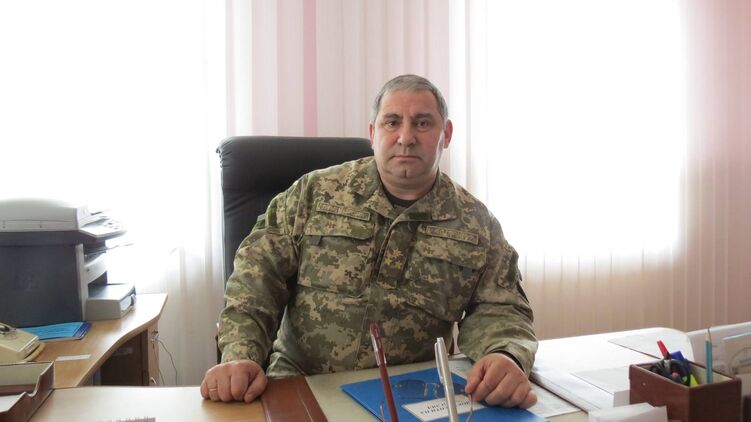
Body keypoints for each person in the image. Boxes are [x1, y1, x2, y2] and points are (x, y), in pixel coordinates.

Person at [200, 74, 538, 409]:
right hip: (301, 384)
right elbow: (256, 277)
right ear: (373, 133)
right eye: (392, 122)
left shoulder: (475, 223)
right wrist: (241, 355)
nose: (406, 137)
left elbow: (501, 307)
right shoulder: (314, 194)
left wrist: (504, 355)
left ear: (445, 134)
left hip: (412, 395)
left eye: (422, 123)